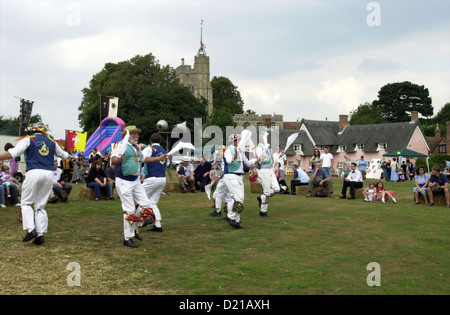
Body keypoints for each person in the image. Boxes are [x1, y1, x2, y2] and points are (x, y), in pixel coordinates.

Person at [0, 122, 74, 245]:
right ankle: (40, 234)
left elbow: (12, 154)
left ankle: (31, 229)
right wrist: (74, 157)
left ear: (32, 131)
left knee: (26, 202)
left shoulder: (28, 140)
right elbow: (65, 155)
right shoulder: (52, 142)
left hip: (34, 171)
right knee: (40, 205)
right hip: (49, 174)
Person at [111, 125, 154, 248]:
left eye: (137, 134)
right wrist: (118, 160)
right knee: (129, 210)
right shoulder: (120, 145)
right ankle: (127, 238)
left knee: (146, 204)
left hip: (135, 180)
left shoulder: (136, 147)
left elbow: (144, 159)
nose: (137, 136)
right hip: (124, 181)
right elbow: (113, 160)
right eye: (134, 134)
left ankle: (134, 229)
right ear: (127, 135)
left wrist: (159, 158)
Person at [222, 133, 256, 228]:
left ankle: (236, 220)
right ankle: (231, 217)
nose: (239, 142)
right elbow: (230, 161)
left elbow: (248, 163)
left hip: (239, 176)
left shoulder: (240, 151)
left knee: (241, 199)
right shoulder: (228, 150)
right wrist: (236, 153)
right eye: (237, 140)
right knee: (238, 197)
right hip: (230, 176)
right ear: (233, 141)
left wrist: (257, 160)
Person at [141, 133, 169, 233]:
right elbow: (168, 163)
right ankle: (158, 225)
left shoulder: (149, 149)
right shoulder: (164, 151)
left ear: (150, 141)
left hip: (152, 178)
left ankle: (142, 220)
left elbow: (142, 158)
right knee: (152, 203)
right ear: (160, 141)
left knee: (140, 198)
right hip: (162, 178)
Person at [254, 131, 282, 217]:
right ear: (261, 138)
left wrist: (280, 156)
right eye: (265, 136)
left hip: (270, 170)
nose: (267, 137)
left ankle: (262, 197)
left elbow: (272, 159)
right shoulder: (259, 148)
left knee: (277, 189)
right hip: (264, 170)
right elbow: (261, 160)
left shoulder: (268, 147)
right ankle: (263, 211)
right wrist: (265, 150)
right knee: (267, 192)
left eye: (267, 136)